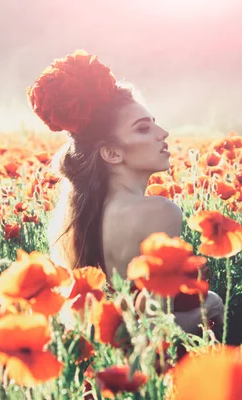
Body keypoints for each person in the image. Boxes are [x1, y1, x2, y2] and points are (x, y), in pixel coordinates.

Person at [27, 50, 225, 336]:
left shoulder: (81, 214)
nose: (163, 133)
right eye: (144, 128)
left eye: (154, 122)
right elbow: (151, 327)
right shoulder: (160, 212)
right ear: (111, 152)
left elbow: (107, 323)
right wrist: (210, 308)